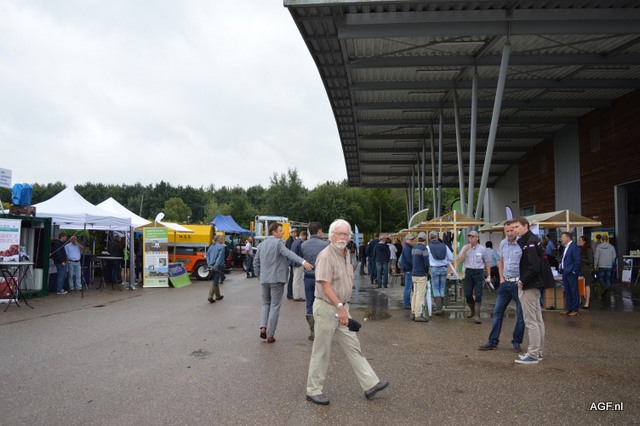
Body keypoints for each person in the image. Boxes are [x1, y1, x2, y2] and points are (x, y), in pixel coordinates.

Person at [305, 219, 389, 405]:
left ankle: (370, 384)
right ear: (331, 235)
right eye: (339, 234)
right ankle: (313, 390)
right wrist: (340, 307)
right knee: (321, 350)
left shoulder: (346, 254)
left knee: (353, 346)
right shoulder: (325, 255)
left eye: (345, 234)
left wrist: (343, 307)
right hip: (328, 308)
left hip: (341, 308)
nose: (342, 237)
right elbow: (325, 286)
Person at [254, 223, 312, 343]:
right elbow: (288, 253)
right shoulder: (279, 242)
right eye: (280, 231)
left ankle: (263, 327)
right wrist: (303, 262)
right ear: (273, 232)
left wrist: (259, 276)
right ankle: (270, 335)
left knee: (265, 304)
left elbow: (256, 263)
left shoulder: (261, 244)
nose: (283, 233)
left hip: (264, 279)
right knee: (275, 306)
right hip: (277, 279)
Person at [478, 221, 524, 352]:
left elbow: (526, 263)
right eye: (507, 231)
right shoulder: (503, 243)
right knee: (497, 313)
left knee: (521, 315)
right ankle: (492, 341)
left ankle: (516, 342)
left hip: (518, 284)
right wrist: (502, 279)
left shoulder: (522, 243)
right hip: (505, 283)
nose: (510, 233)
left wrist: (521, 281)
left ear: (515, 230)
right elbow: (501, 261)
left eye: (511, 230)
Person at [512, 217, 545, 364]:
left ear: (526, 226)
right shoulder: (532, 240)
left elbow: (534, 267)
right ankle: (538, 351)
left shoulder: (530, 242)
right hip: (534, 285)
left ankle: (533, 354)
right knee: (537, 320)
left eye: (517, 227)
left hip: (529, 286)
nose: (515, 230)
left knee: (531, 321)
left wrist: (522, 281)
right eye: (513, 228)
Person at [301, 222, 329, 341]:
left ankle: (312, 331)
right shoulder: (325, 245)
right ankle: (321, 330)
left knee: (309, 303)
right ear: (319, 231)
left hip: (308, 277)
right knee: (322, 303)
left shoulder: (303, 245)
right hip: (321, 278)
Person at [457, 230, 491, 324]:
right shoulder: (465, 247)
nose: (470, 239)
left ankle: (477, 315)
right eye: (469, 237)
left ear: (477, 238)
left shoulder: (482, 249)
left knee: (478, 293)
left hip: (479, 271)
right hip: (468, 271)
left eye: (472, 237)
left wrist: (489, 275)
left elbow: (487, 262)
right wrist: (465, 250)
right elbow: (460, 260)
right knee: (468, 293)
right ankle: (472, 310)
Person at [428, 231, 453, 316]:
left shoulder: (428, 247)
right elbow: (451, 258)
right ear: (437, 237)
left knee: (435, 288)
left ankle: (438, 308)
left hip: (434, 269)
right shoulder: (444, 246)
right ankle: (441, 307)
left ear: (430, 238)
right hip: (444, 269)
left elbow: (426, 259)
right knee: (442, 287)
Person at [560, 232, 581, 316]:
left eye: (563, 237)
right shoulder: (566, 247)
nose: (562, 239)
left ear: (568, 238)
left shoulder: (574, 247)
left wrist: (574, 271)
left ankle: (575, 309)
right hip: (565, 271)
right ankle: (569, 308)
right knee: (567, 291)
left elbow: (577, 260)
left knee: (574, 291)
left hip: (571, 272)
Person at [410, 232, 430, 322]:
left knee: (415, 294)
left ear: (418, 239)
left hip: (414, 273)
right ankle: (418, 315)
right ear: (425, 240)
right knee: (420, 295)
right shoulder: (424, 249)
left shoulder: (414, 248)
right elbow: (426, 263)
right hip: (421, 274)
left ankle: (413, 312)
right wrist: (427, 271)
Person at [594, 234, 617, 300]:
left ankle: (605, 288)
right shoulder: (611, 247)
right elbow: (614, 256)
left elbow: (596, 257)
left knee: (601, 279)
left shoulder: (598, 247)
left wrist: (595, 265)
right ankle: (607, 289)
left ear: (602, 239)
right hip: (609, 265)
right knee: (608, 279)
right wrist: (611, 262)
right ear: (607, 239)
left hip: (601, 265)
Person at [206, 235, 226, 303]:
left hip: (211, 265)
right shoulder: (222, 247)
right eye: (221, 238)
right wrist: (215, 266)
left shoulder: (211, 246)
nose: (222, 240)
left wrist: (209, 265)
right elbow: (219, 258)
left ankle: (218, 295)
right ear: (218, 239)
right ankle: (210, 296)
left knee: (215, 279)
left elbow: (207, 256)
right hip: (218, 266)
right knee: (215, 281)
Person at [291, 230, 308, 301]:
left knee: (295, 280)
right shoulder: (300, 243)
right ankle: (296, 296)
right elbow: (301, 253)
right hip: (299, 263)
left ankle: (295, 294)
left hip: (293, 262)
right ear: (304, 235)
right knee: (297, 280)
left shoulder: (295, 241)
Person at [577, 236, 593, 309]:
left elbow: (590, 261)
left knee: (587, 285)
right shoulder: (579, 249)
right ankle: (580, 300)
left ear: (584, 242)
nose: (579, 241)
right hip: (580, 269)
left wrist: (581, 259)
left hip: (586, 270)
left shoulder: (588, 250)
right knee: (579, 284)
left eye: (580, 240)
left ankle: (587, 302)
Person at [400, 234, 415, 309]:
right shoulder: (407, 248)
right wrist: (415, 265)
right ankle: (406, 303)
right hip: (409, 269)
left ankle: (407, 302)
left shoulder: (408, 247)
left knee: (408, 287)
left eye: (412, 239)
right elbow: (409, 259)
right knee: (408, 287)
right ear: (406, 240)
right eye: (410, 239)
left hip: (408, 269)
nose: (412, 240)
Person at [286, 227, 298, 300]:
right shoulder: (290, 240)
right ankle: (289, 293)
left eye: (295, 232)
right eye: (293, 232)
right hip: (291, 261)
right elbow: (290, 251)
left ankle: (291, 292)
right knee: (292, 277)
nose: (295, 234)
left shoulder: (294, 239)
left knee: (293, 277)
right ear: (291, 233)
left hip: (293, 261)